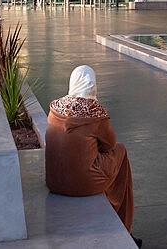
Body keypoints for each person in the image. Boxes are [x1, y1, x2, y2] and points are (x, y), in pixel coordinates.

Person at [46, 66, 137, 243]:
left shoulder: (55, 107)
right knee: (120, 151)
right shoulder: (94, 113)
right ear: (92, 84)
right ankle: (124, 226)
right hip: (82, 185)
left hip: (54, 182)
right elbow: (110, 144)